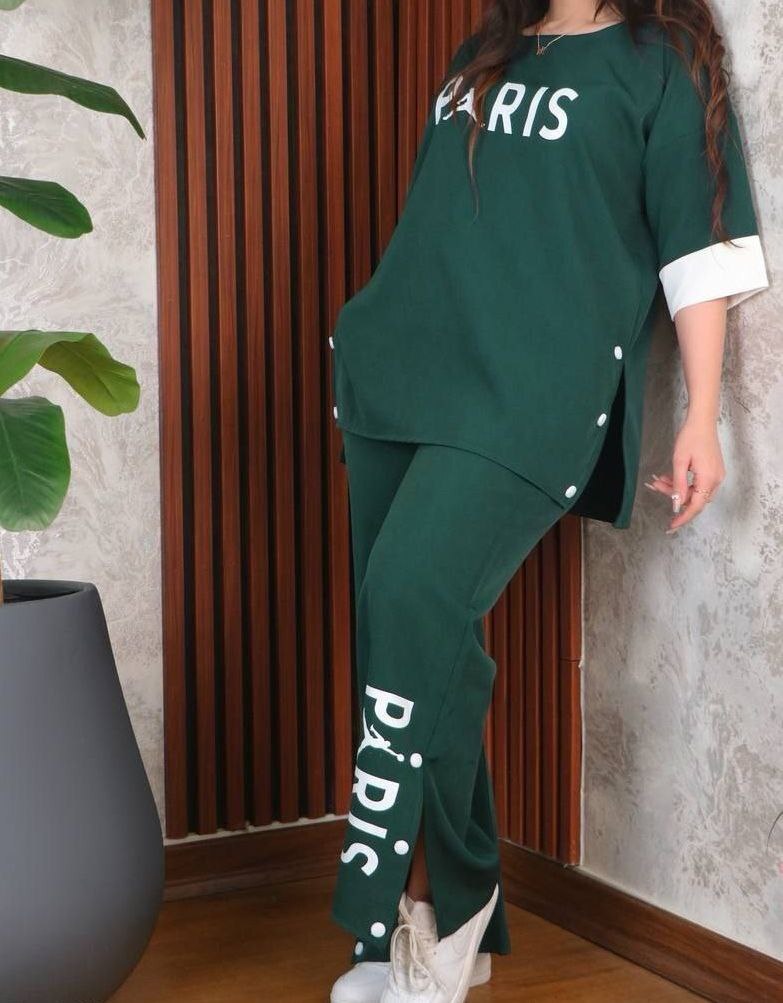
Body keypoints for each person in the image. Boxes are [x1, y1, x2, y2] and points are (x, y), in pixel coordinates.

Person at [327, 2, 770, 1002]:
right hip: (403, 371)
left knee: (409, 597)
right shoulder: (488, 48)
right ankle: (459, 905)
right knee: (410, 638)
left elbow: (695, 243)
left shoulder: (662, 62)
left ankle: (431, 910)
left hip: (530, 393)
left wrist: (701, 415)